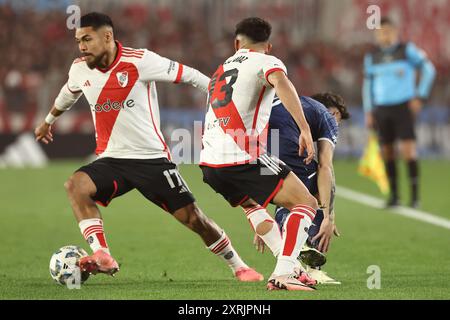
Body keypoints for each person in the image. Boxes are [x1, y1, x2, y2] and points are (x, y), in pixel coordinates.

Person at [34, 12, 263, 282]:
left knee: (193, 219)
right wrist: (49, 121)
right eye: (78, 40)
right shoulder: (79, 68)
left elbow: (190, 75)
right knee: (75, 185)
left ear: (107, 36)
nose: (81, 46)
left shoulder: (140, 60)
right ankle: (102, 253)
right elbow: (69, 92)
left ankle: (239, 266)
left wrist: (224, 103)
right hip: (112, 160)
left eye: (87, 39)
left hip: (152, 160)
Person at [200, 17, 319, 291]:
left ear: (236, 43)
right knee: (306, 203)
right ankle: (284, 273)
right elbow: (281, 83)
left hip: (210, 163)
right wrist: (304, 128)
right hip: (242, 157)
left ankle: (292, 266)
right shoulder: (267, 62)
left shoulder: (221, 69)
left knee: (252, 205)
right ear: (269, 45)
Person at [263, 92, 350, 284]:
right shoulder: (327, 117)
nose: (338, 125)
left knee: (288, 191)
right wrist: (329, 217)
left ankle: (292, 245)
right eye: (339, 119)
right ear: (334, 113)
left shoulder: (293, 102)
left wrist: (260, 217)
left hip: (258, 147)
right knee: (313, 189)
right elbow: (325, 166)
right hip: (283, 143)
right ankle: (308, 257)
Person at [363, 17, 436, 208]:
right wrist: (368, 110)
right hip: (381, 109)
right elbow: (367, 85)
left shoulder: (407, 50)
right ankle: (394, 196)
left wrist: (420, 96)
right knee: (387, 152)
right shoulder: (372, 56)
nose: (383, 36)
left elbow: (429, 69)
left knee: (408, 151)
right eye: (380, 32)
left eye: (387, 31)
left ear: (395, 32)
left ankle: (415, 197)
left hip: (403, 107)